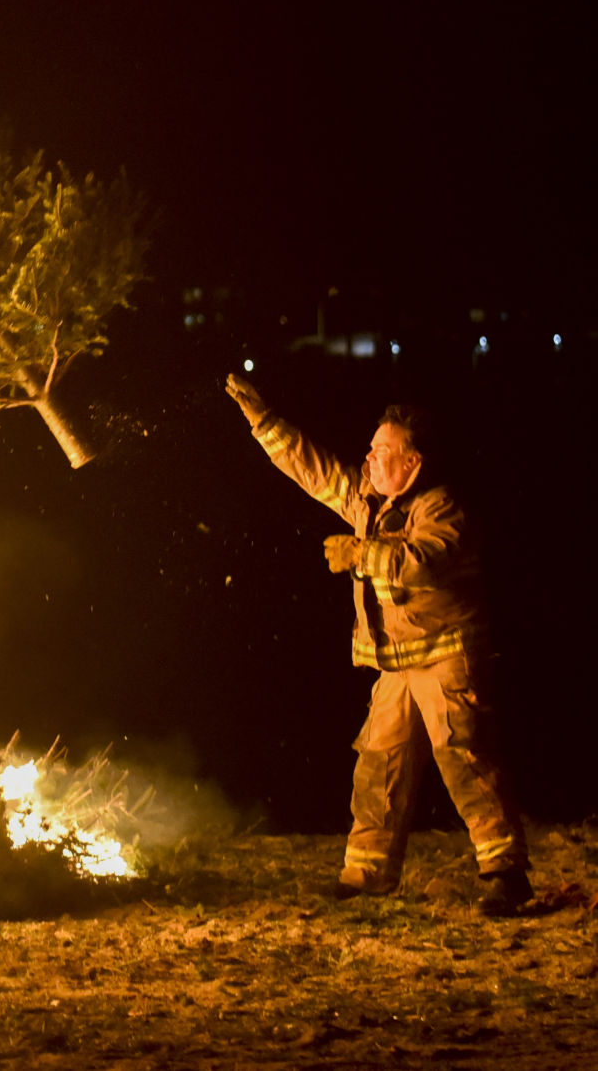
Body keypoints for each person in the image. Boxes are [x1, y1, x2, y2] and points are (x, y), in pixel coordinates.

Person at [225, 372, 531, 914]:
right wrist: (264, 423)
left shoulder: (443, 508)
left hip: (446, 656)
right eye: (369, 449)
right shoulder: (370, 500)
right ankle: (367, 875)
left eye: (381, 451)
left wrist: (360, 556)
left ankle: (506, 874)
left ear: (413, 463)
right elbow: (315, 471)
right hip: (399, 661)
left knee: (465, 758)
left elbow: (423, 563)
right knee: (379, 762)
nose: (367, 459)